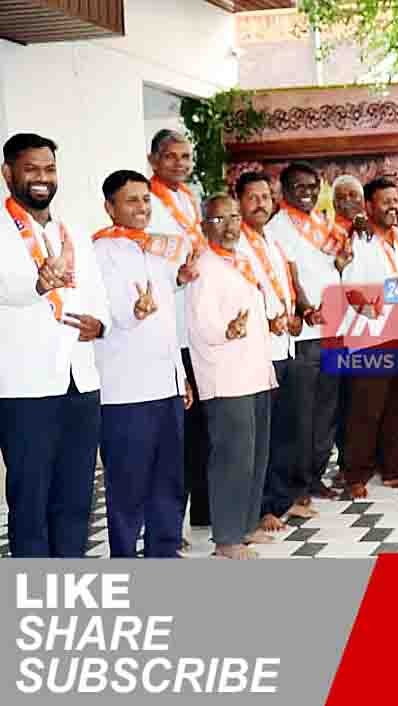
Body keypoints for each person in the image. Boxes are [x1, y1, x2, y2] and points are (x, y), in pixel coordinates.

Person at [0, 132, 110, 557]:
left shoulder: (72, 231)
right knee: (30, 500)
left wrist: (99, 323)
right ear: (8, 173)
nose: (42, 178)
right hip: (25, 387)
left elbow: (96, 291)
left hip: (80, 381)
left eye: (49, 169)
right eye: (31, 169)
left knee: (76, 496)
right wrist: (37, 284)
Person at [92, 170, 191, 557]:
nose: (142, 207)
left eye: (146, 199)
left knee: (169, 479)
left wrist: (181, 377)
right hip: (126, 389)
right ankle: (124, 558)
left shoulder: (153, 249)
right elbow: (109, 315)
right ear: (110, 207)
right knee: (128, 484)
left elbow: (168, 324)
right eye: (131, 200)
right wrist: (135, 311)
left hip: (166, 385)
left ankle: (163, 553)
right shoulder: (100, 252)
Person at [187, 194, 278, 559]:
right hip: (225, 377)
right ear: (204, 226)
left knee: (255, 455)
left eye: (234, 218)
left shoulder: (241, 261)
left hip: (255, 372)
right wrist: (227, 330)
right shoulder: (203, 267)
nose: (229, 226)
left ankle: (246, 525)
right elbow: (200, 324)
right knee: (231, 458)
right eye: (219, 219)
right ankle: (226, 538)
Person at [340, 177, 398, 497]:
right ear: (369, 206)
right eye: (385, 201)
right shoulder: (360, 241)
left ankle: (395, 469)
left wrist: (389, 293)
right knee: (365, 410)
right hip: (371, 338)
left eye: (396, 201)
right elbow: (352, 289)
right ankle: (355, 474)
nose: (393, 207)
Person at [266, 162, 342, 501]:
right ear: (284, 191)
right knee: (302, 413)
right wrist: (306, 308)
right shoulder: (277, 227)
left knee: (327, 410)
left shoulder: (322, 223)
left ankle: (315, 476)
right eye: (300, 187)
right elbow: (289, 276)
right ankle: (296, 485)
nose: (308, 192)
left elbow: (335, 266)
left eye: (313, 186)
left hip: (334, 329)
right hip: (304, 336)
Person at [237, 171, 309, 527]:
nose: (260, 204)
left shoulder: (272, 241)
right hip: (257, 353)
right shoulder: (237, 243)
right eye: (252, 197)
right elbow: (238, 297)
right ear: (239, 202)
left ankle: (281, 500)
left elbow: (286, 287)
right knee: (261, 438)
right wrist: (266, 322)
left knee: (284, 432)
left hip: (285, 347)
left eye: (265, 197)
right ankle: (262, 507)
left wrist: (296, 315)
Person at [146, 129, 208, 533]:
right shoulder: (147, 203)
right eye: (171, 156)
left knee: (200, 430)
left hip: (197, 327)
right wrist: (177, 278)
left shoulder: (188, 198)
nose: (180, 164)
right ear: (153, 160)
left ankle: (201, 512)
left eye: (186, 156)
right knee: (175, 435)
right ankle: (171, 525)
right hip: (168, 331)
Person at [328, 174, 366, 480]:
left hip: (371, 329)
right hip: (336, 331)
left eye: (354, 195)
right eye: (341, 197)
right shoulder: (327, 235)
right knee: (340, 402)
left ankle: (364, 460)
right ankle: (344, 463)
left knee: (363, 400)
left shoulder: (372, 233)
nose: (348, 202)